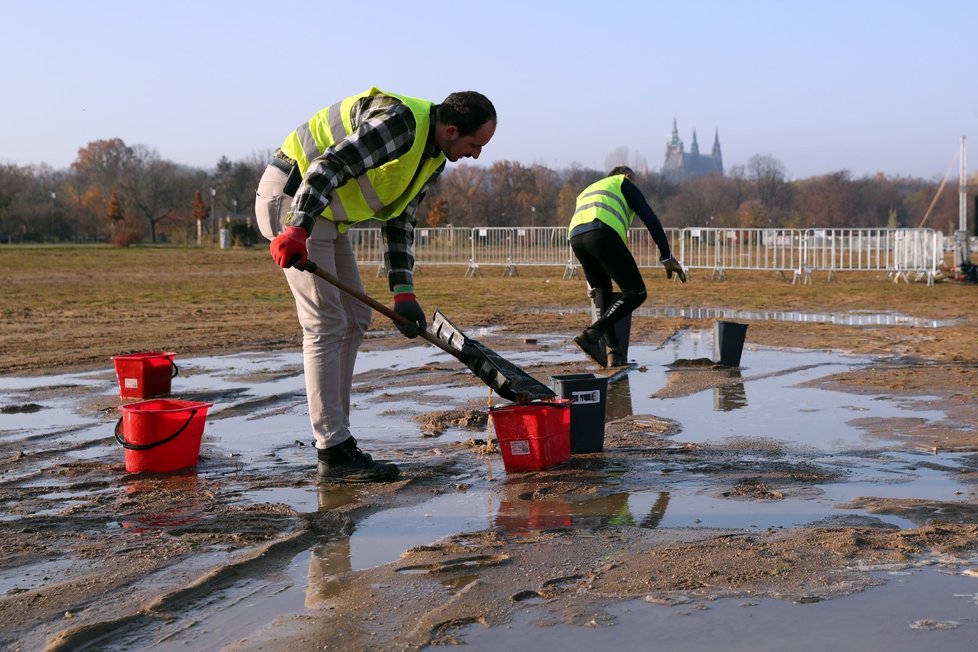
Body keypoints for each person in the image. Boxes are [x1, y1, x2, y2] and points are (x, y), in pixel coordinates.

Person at [254, 87, 497, 482]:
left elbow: (400, 221)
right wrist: (297, 229)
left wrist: (404, 293)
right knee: (325, 323)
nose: (476, 154)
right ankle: (332, 450)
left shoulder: (433, 157)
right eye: (475, 144)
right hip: (293, 199)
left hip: (325, 214)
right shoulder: (399, 124)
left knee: (355, 317)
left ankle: (339, 440)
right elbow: (326, 167)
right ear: (451, 130)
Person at [568, 166, 686, 368]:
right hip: (602, 233)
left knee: (602, 290)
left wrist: (590, 279)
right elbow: (650, 219)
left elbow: (584, 228)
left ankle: (613, 353)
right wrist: (666, 255)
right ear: (627, 177)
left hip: (576, 237)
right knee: (636, 292)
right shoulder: (624, 183)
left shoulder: (589, 190)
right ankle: (591, 334)